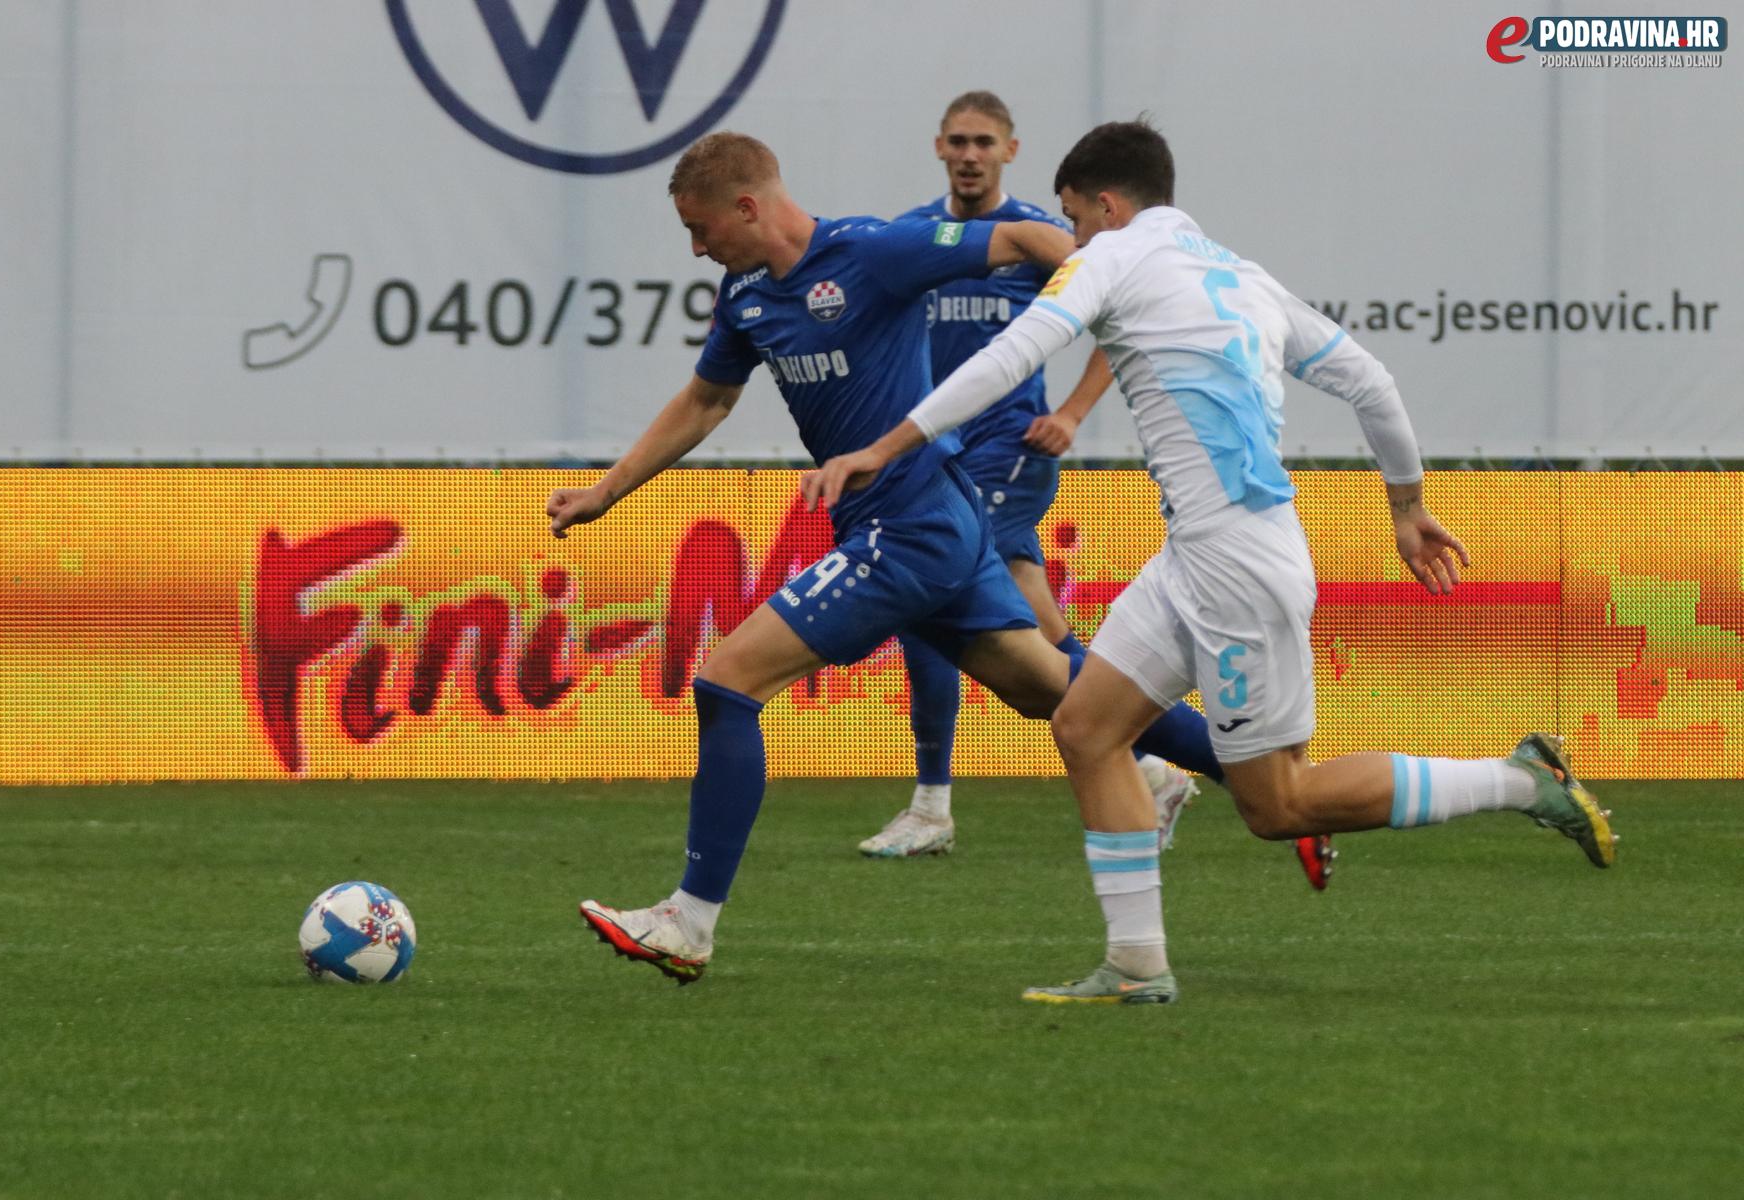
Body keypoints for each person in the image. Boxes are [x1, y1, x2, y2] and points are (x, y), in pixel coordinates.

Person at [805, 119, 1616, 1006]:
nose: (1069, 240)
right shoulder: (1241, 274)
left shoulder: (1111, 258)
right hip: (1197, 555)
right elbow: (1372, 383)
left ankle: (1521, 778)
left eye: (1074, 219)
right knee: (1085, 727)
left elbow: (1012, 356)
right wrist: (1406, 507)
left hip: (1237, 564)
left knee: (1280, 805)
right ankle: (1136, 966)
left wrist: (883, 447)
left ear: (1106, 206)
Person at [551, 131, 1082, 984]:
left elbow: (1022, 241)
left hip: (908, 528)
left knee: (726, 680)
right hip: (917, 525)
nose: (695, 249)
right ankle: (1267, 787)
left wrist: (1106, 284)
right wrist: (608, 490)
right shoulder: (746, 294)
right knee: (1060, 693)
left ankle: (689, 921)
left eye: (701, 228)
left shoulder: (872, 251)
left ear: (748, 206)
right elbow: (707, 399)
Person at [863, 91, 1334, 892]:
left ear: (1010, 151)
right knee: (1041, 638)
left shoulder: (1047, 237)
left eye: (986, 142)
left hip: (1007, 451)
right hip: (943, 458)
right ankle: (1181, 769)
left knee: (926, 597)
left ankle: (934, 803)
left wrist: (1073, 411)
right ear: (938, 145)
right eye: (959, 141)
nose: (971, 154)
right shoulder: (919, 238)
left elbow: (1127, 313)